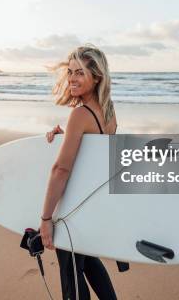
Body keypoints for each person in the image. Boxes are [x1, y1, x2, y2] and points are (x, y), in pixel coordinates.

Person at [40, 44, 118, 300]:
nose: (72, 78)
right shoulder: (108, 111)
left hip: (73, 208)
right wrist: (70, 138)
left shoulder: (80, 114)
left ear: (96, 77)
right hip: (92, 204)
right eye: (70, 72)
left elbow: (61, 169)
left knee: (71, 276)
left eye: (80, 73)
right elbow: (96, 155)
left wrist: (46, 219)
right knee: (88, 263)